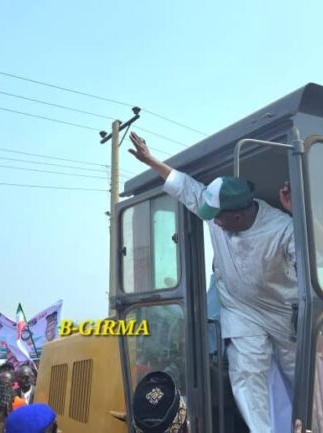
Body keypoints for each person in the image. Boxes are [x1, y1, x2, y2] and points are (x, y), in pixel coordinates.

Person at [129, 132, 299, 433]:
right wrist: (152, 161)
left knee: (300, 373)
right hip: (241, 310)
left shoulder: (281, 228)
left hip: (282, 311)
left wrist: (298, 214)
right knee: (245, 377)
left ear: (236, 215)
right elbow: (186, 188)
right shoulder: (215, 212)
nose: (213, 222)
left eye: (218, 218)